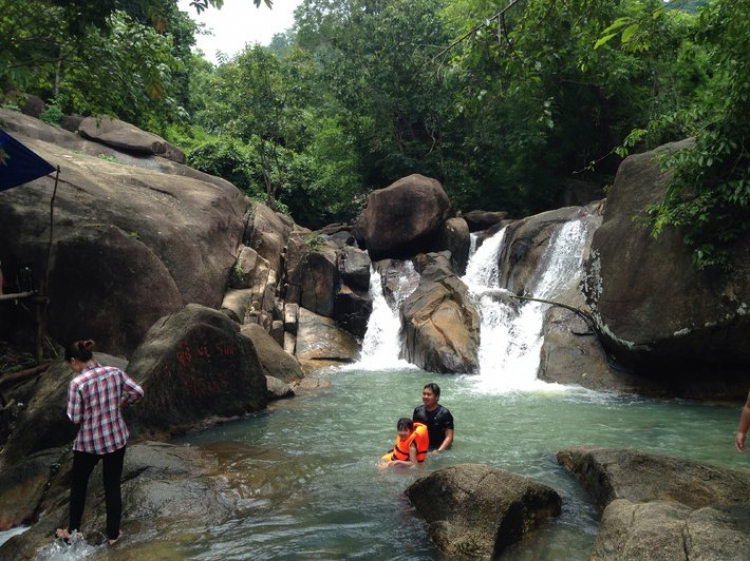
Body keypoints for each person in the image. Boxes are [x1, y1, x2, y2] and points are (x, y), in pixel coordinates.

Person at [55, 340, 144, 545]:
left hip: (89, 444)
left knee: (79, 486)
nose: (72, 369)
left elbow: (75, 418)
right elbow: (137, 392)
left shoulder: (77, 384)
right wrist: (123, 402)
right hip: (116, 438)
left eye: (70, 365)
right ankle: (113, 535)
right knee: (112, 486)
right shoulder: (114, 372)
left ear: (74, 360)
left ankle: (73, 532)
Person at [413, 382, 454, 452]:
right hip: (422, 446)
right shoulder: (418, 410)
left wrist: (438, 452)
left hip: (439, 448)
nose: (425, 397)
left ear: (437, 397)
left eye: (429, 394)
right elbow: (413, 431)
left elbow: (449, 437)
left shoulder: (444, 413)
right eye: (424, 394)